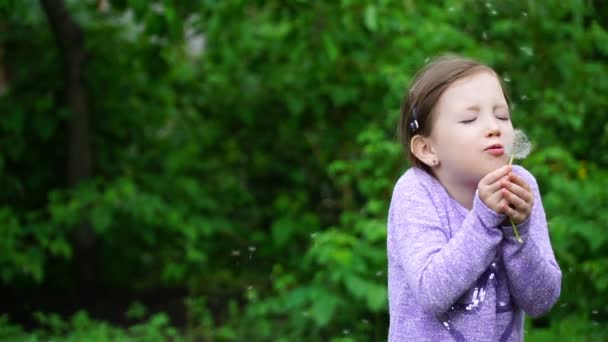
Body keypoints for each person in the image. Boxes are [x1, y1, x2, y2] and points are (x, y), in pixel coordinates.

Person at [387, 54, 561, 342]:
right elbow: (432, 292)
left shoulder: (520, 185)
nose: (494, 127)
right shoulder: (415, 192)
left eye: (502, 116)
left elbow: (540, 301)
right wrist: (485, 220)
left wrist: (517, 231)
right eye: (469, 119)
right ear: (428, 149)